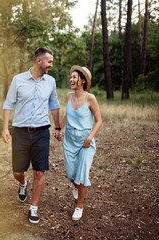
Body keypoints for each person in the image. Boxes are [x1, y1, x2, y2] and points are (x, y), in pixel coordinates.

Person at [2, 47, 62, 224]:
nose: (51, 65)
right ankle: (22, 183)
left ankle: (34, 207)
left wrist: (58, 127)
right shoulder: (18, 80)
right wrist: (5, 128)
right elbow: (8, 103)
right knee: (17, 171)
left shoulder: (50, 81)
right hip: (20, 132)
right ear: (39, 61)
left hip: (42, 132)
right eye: (49, 61)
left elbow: (54, 105)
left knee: (39, 171)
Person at [59, 65, 102, 221]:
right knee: (71, 174)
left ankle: (79, 206)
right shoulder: (69, 96)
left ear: (83, 80)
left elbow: (99, 121)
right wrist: (58, 127)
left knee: (82, 174)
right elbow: (67, 116)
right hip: (69, 140)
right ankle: (77, 186)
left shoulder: (90, 98)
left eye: (75, 77)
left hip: (85, 142)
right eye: (71, 77)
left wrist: (90, 137)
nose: (71, 79)